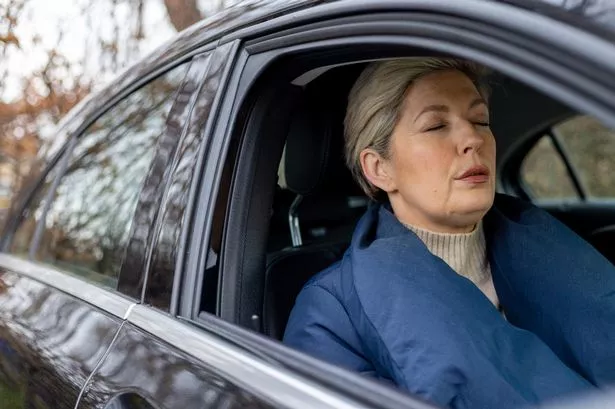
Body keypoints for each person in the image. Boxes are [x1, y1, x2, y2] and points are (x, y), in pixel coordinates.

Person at [283, 58, 615, 409]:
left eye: (480, 120)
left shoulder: (553, 249)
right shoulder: (332, 313)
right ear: (379, 169)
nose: (473, 138)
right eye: (435, 125)